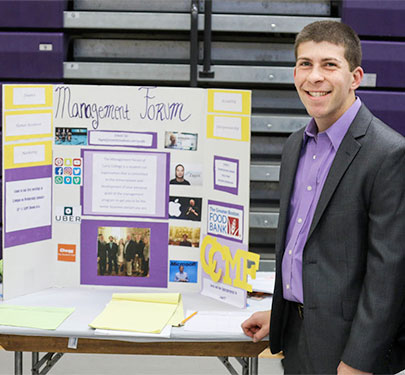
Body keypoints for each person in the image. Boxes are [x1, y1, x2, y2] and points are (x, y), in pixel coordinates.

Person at [242, 20, 405, 374]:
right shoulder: (294, 146)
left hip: (349, 351)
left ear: (356, 77)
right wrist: (281, 314)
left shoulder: (388, 153)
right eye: (305, 64)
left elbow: (388, 275)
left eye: (329, 65)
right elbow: (304, 249)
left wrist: (358, 361)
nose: (314, 77)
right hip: (298, 339)